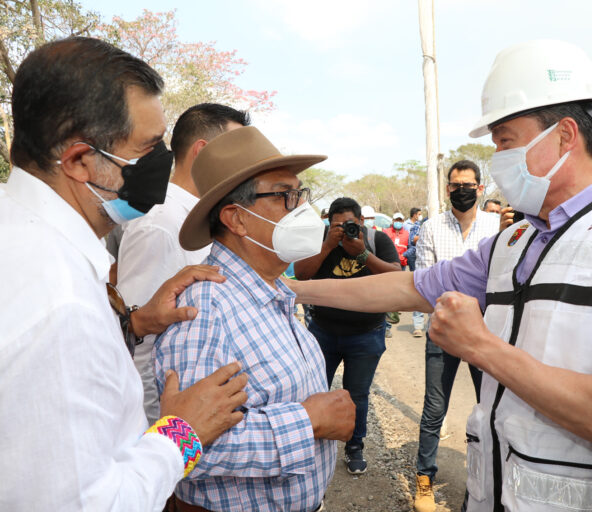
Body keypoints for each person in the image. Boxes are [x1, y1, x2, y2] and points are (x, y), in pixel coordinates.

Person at [288, 40, 592, 512]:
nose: (497, 156)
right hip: (493, 493)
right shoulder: (515, 241)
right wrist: (289, 288)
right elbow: (409, 286)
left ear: (565, 136)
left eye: (506, 140)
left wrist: (480, 346)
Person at [0, 37, 248, 511]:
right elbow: (90, 502)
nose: (163, 163)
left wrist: (134, 324)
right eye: (149, 148)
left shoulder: (26, 237)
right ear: (78, 160)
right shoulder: (60, 304)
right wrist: (182, 434)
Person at [154, 126, 356, 512]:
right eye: (285, 196)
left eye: (301, 194)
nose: (301, 209)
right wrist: (308, 421)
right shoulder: (204, 310)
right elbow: (187, 448)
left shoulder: (271, 291)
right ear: (236, 219)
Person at [118, 103, 249, 423]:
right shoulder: (161, 225)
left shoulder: (198, 217)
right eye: (239, 150)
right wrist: (158, 433)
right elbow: (136, 348)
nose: (248, 163)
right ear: (202, 152)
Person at [411, 159, 498, 512]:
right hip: (443, 331)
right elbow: (424, 281)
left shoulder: (496, 227)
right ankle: (425, 479)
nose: (461, 190)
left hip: (486, 333)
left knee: (489, 408)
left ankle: (487, 479)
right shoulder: (431, 228)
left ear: (480, 188)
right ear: (448, 190)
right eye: (455, 185)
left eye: (468, 184)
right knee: (435, 408)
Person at [294, 197, 401, 474]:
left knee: (358, 395)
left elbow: (395, 277)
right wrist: (329, 244)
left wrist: (362, 253)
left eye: (350, 224)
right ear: (329, 223)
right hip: (323, 332)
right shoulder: (322, 240)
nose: (344, 230)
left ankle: (355, 446)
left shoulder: (376, 240)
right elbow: (301, 275)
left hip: (366, 333)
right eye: (337, 225)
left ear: (361, 222)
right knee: (314, 390)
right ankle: (311, 442)